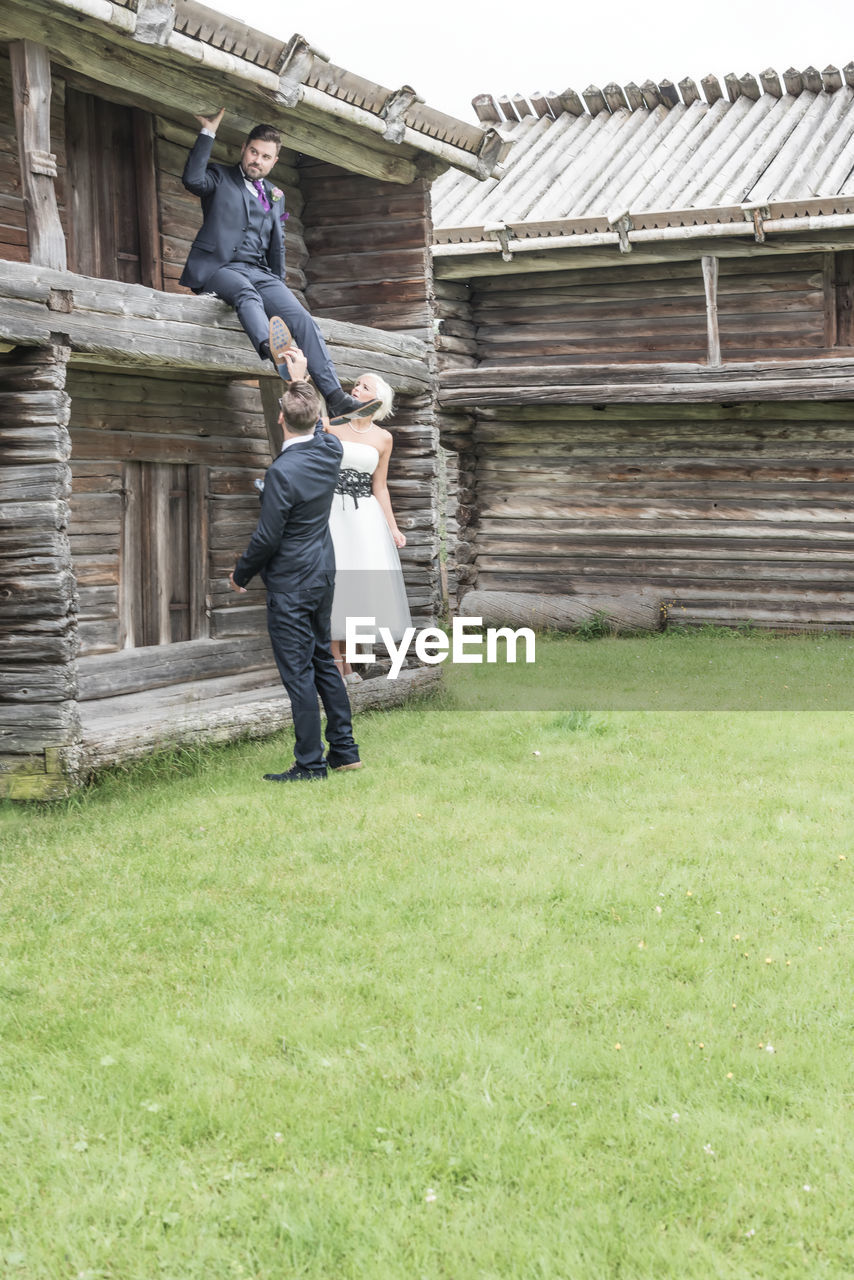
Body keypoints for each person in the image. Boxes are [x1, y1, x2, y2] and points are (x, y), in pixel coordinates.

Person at [181, 108, 380, 425]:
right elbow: (192, 179)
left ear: (274, 161)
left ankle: (336, 398)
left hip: (260, 272)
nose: (257, 160)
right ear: (244, 149)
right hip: (219, 269)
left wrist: (278, 292)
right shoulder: (220, 177)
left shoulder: (276, 196)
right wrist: (208, 133)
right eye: (253, 152)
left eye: (265, 156)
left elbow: (276, 245)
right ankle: (274, 353)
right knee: (247, 294)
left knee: (301, 319)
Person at [229, 347, 362, 781]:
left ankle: (309, 764)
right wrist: (299, 380)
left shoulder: (282, 472)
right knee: (323, 658)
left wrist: (241, 574)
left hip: (290, 583)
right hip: (323, 574)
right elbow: (320, 424)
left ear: (281, 419)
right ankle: (345, 749)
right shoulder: (330, 452)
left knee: (299, 673)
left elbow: (267, 537)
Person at [326, 372, 412, 681]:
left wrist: (393, 527)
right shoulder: (331, 426)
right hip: (332, 511)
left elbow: (380, 486)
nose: (356, 388)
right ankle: (335, 661)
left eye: (364, 386)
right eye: (356, 384)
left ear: (376, 401)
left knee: (358, 585)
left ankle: (350, 659)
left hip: (365, 516)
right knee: (334, 582)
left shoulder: (383, 438)